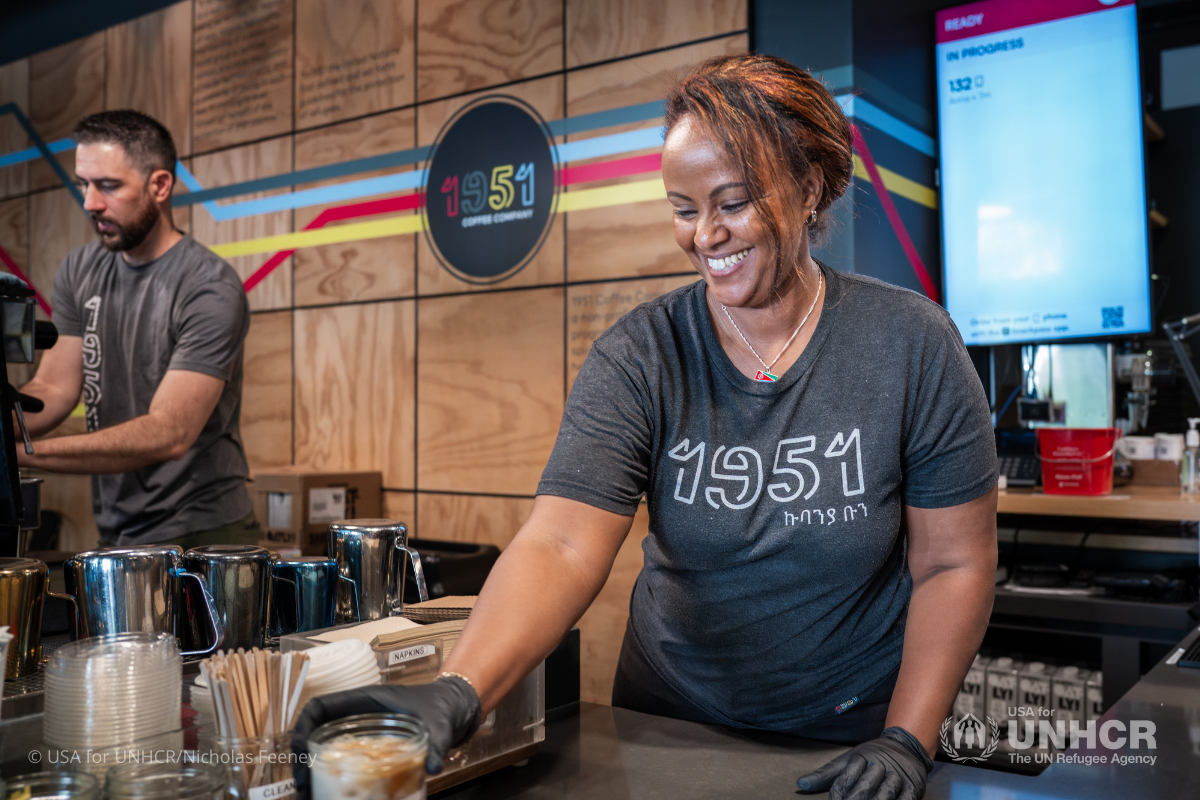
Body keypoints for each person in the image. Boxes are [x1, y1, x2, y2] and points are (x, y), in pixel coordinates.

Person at [293, 55, 998, 800]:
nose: (705, 236)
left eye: (733, 202)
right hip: (668, 726)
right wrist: (460, 689)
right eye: (684, 208)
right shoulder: (642, 353)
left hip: (851, 738)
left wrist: (907, 739)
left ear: (809, 188)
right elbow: (561, 543)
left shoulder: (910, 342)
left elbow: (953, 566)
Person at [16, 110, 257, 548]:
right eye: (84, 184)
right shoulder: (80, 269)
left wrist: (20, 455)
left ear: (160, 186)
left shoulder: (209, 287)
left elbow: (169, 432)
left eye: (108, 186)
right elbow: (52, 389)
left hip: (204, 533)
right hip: (117, 528)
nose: (90, 202)